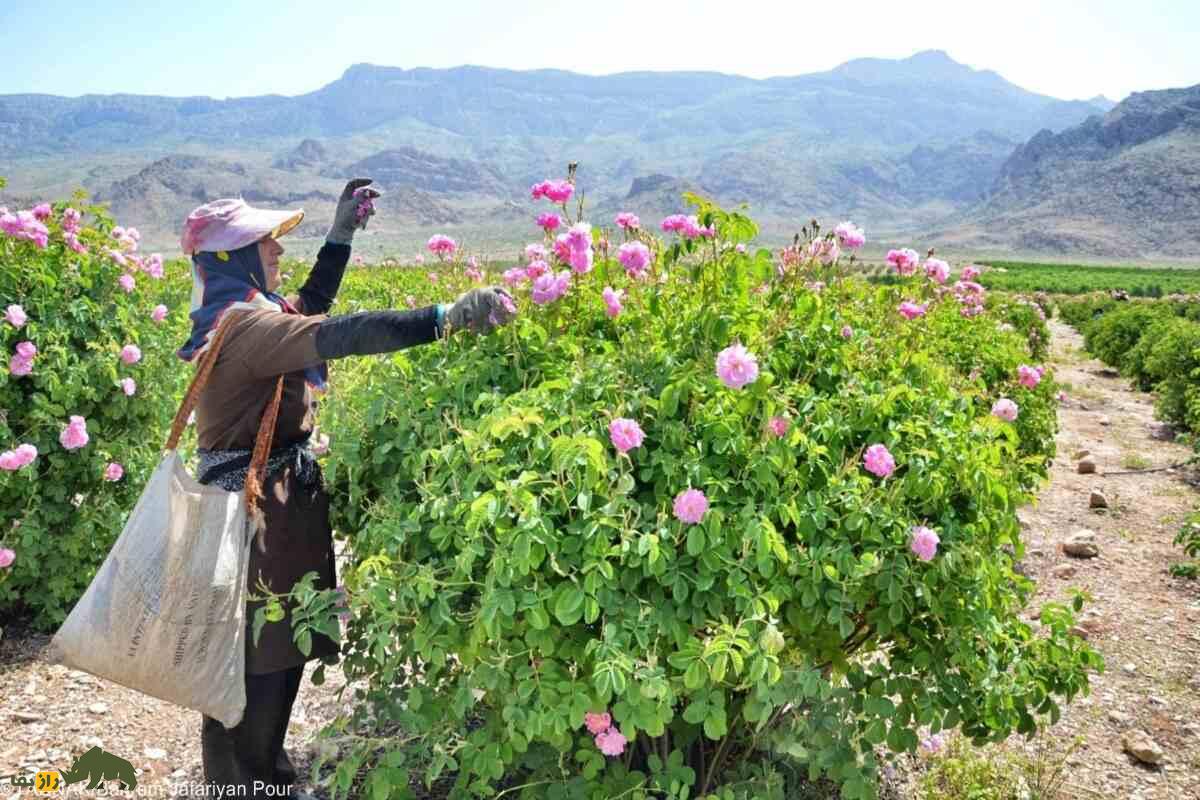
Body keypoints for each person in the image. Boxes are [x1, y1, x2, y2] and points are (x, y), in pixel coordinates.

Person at [178, 178, 515, 799]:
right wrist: (445, 317)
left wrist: (340, 236)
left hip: (276, 502)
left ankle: (266, 778)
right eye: (264, 241)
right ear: (231, 257)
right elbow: (339, 333)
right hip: (251, 515)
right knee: (254, 660)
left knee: (280, 650)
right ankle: (241, 788)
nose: (277, 249)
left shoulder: (254, 314)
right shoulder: (248, 326)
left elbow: (310, 305)